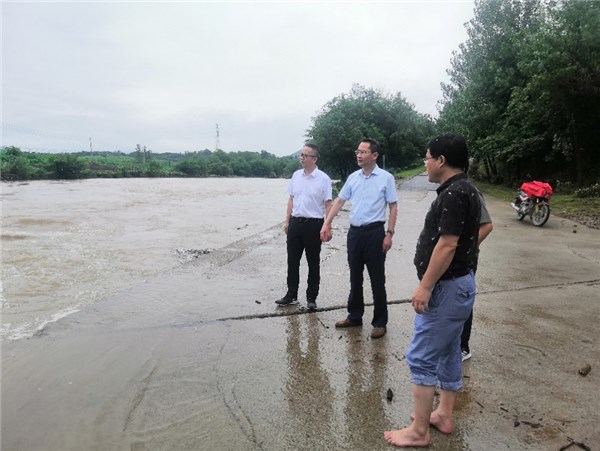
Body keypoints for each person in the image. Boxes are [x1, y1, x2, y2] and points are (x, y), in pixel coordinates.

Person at [384, 133, 481, 447]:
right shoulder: (465, 189)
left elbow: (448, 244)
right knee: (450, 350)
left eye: (427, 157)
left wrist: (425, 286)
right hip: (458, 286)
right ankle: (442, 414)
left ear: (441, 160)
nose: (425, 163)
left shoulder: (455, 193)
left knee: (421, 357)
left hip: (447, 289)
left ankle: (419, 431)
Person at [320, 138, 398, 339]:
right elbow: (339, 201)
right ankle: (354, 316)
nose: (358, 155)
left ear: (374, 155)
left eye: (363, 152)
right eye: (357, 151)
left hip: (375, 233)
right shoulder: (353, 177)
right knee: (355, 276)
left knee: (377, 279)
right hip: (354, 233)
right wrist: (327, 223)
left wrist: (389, 233)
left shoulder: (386, 178)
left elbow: (393, 206)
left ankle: (380, 322)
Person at [275, 144, 332, 310]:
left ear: (314, 159)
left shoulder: (323, 179)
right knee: (292, 260)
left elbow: (328, 204)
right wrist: (287, 221)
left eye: (305, 155)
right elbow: (291, 199)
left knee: (313, 262)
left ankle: (311, 297)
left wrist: (328, 226)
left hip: (314, 224)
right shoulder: (296, 176)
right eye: (301, 155)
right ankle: (291, 294)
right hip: (295, 223)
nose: (302, 158)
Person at [461, 196, 493, 361]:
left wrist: (466, 250)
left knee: (463, 299)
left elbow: (487, 226)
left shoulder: (470, 193)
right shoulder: (447, 191)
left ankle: (462, 347)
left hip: (465, 260)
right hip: (451, 260)